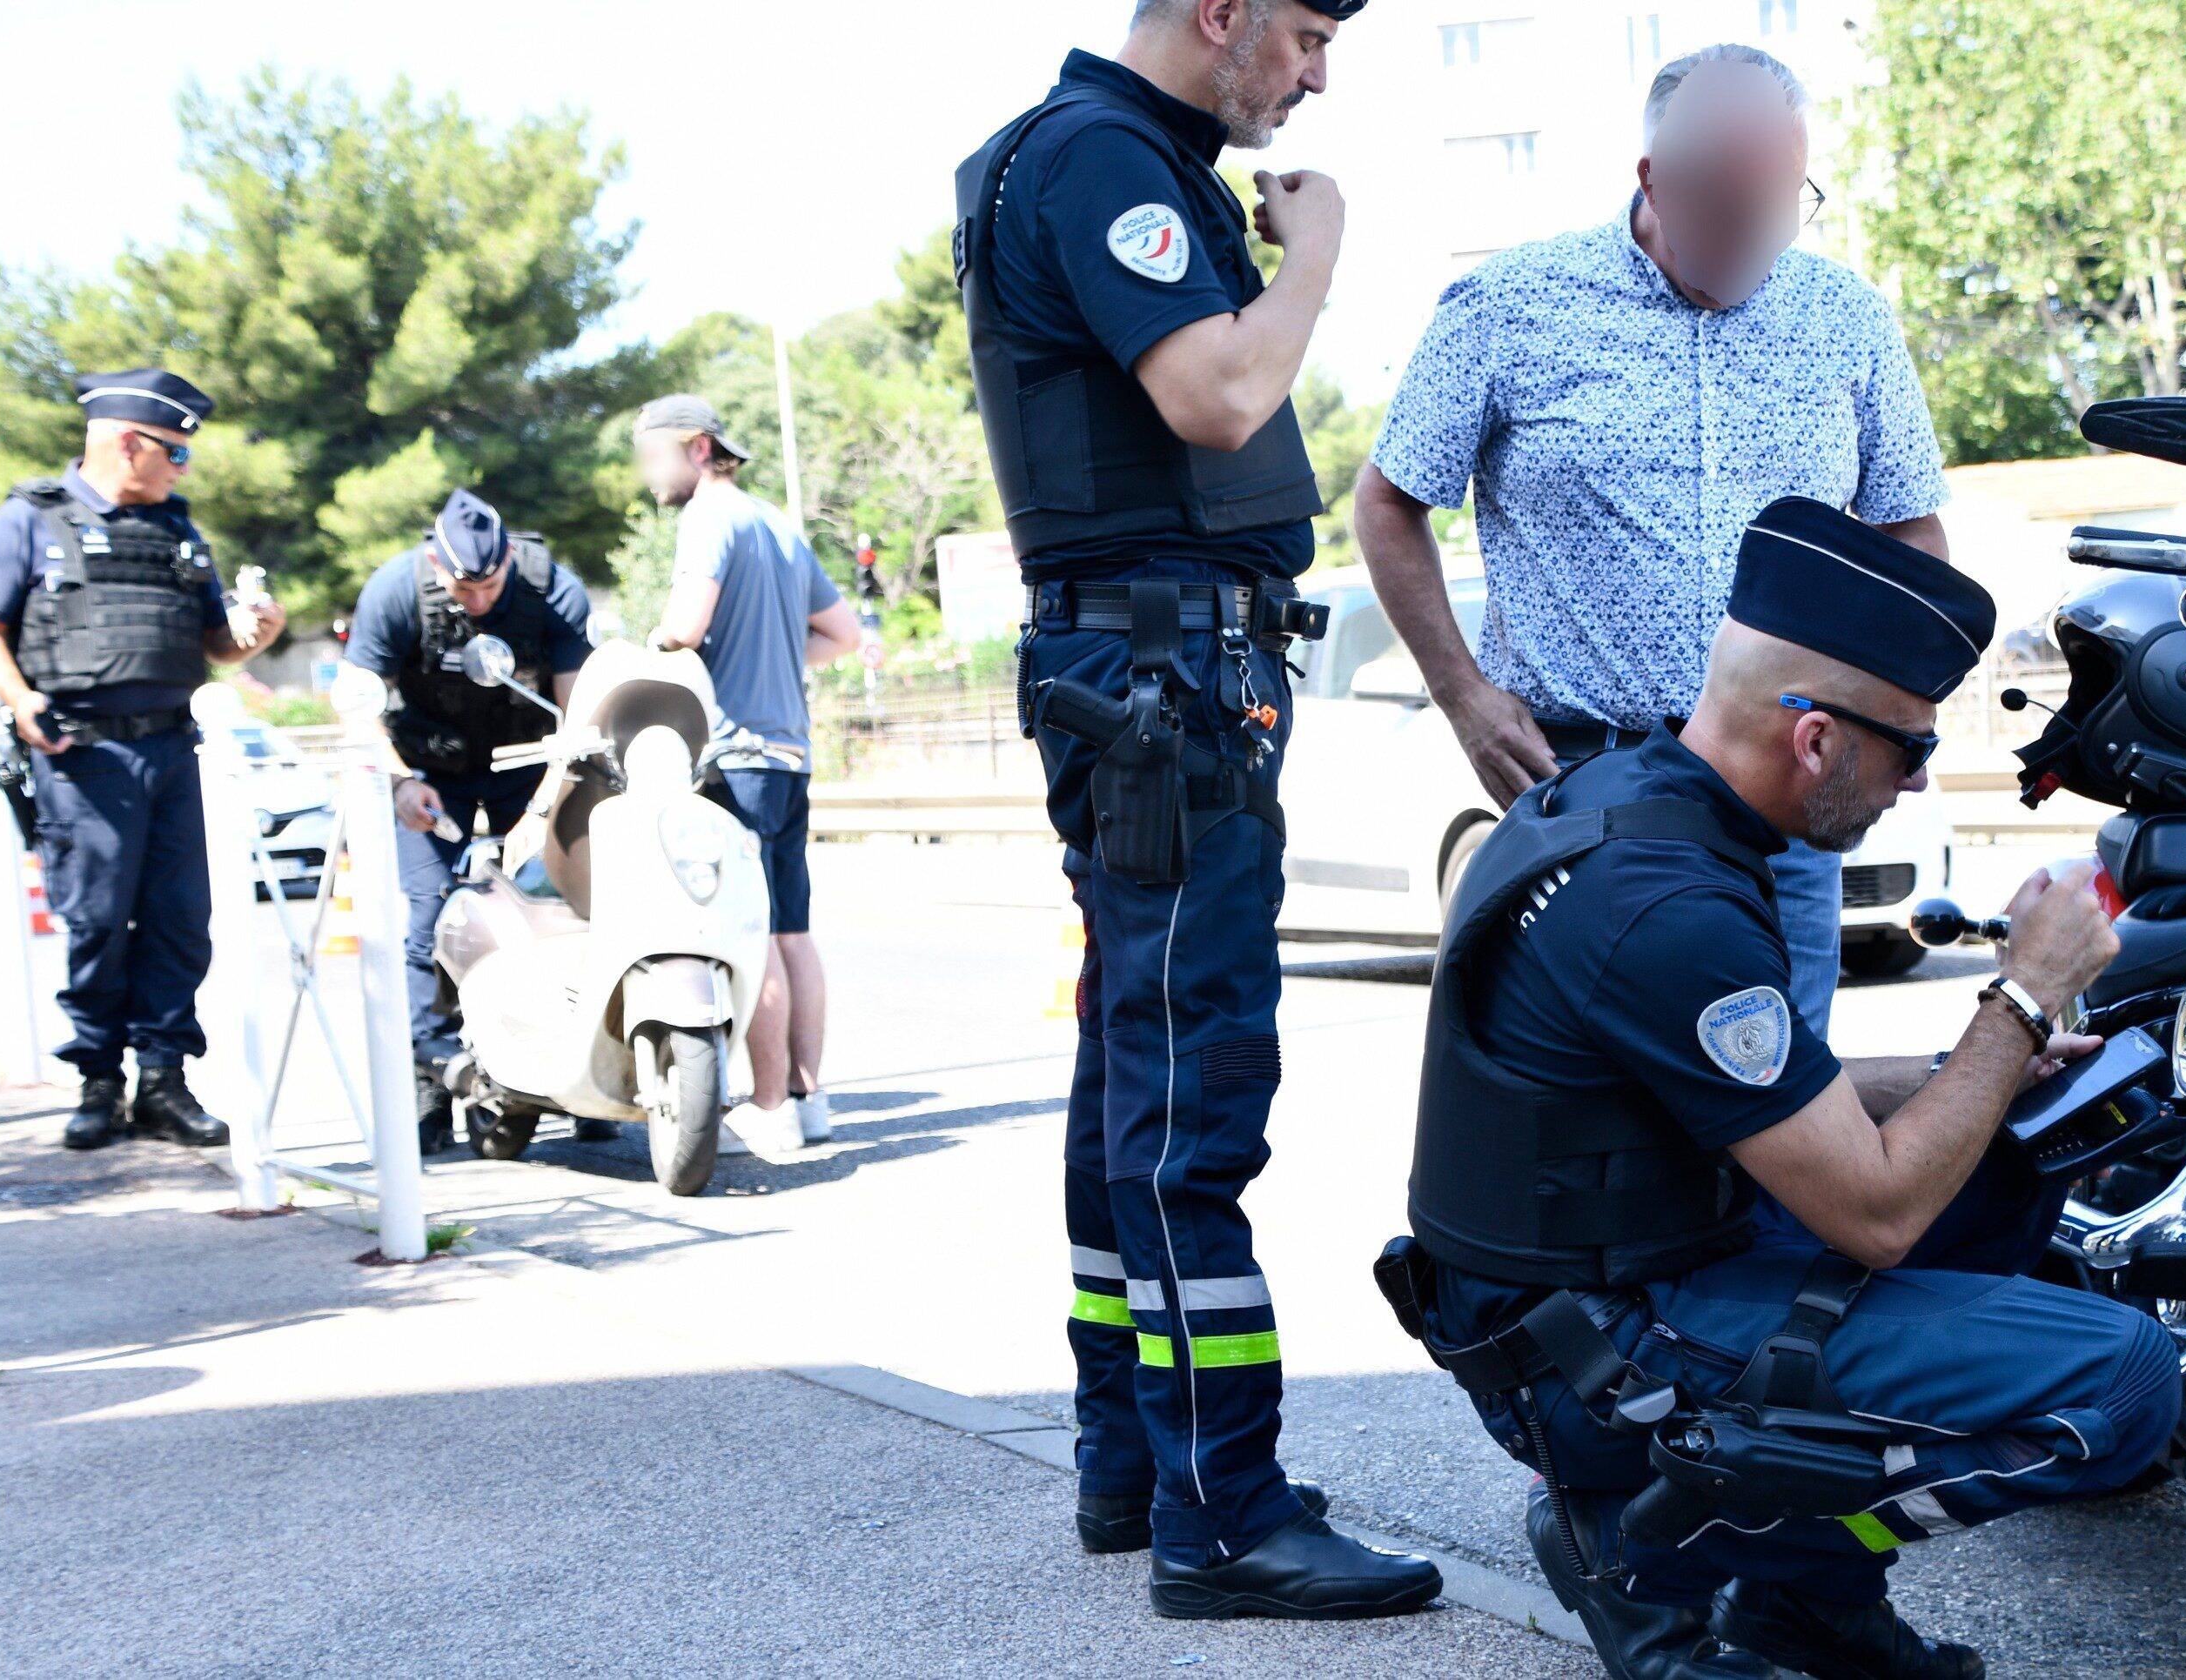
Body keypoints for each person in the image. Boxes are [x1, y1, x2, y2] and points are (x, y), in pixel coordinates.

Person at [1391, 500, 2178, 1680]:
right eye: (1909, 746)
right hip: (1593, 1352)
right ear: (1815, 740)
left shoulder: (1635, 803)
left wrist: (1973, 1070)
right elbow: (1878, 1210)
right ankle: (1655, 1542)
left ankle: (1803, 1608)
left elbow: (1714, 1086)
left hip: (1580, 1274)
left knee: (2002, 1164)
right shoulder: (1671, 906)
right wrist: (2021, 998)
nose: (1917, 782)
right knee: (2124, 1381)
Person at [956, 0, 1442, 1622]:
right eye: (1303, 33)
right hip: (1170, 686)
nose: (1318, 75)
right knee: (1192, 1096)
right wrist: (1321, 251)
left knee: (1132, 1082)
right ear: (1219, 13)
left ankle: (1135, 1463)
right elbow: (1221, 398)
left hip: (1146, 675)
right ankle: (1222, 1510)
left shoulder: (1095, 154)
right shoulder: (1104, 160)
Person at [1354, 43, 1953, 1039]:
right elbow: (1387, 501)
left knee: (1781, 1093)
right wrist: (1463, 695)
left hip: (1783, 791)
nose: (1755, 240)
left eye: (1777, 207)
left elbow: (1909, 525)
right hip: (1582, 780)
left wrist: (1904, 710)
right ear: (1653, 182)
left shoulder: (1844, 318)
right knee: (1595, 1096)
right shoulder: (1509, 306)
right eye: (1726, 211)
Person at [0, 369, 286, 1149]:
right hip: (83, 754)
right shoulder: (30, 520)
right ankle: (99, 1081)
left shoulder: (178, 531)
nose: (183, 469)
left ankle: (164, 1081)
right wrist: (20, 698)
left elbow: (213, 643)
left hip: (173, 747)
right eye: (176, 453)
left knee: (179, 921)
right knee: (98, 921)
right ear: (128, 442)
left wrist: (256, 636)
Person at [339, 488, 596, 1155]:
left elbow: (579, 711)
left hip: (529, 765)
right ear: (434, 561)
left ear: (510, 557)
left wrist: (547, 803)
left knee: (561, 906)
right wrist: (398, 779)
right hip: (429, 772)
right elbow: (355, 698)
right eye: (462, 586)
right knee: (425, 919)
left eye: (488, 584)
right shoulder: (396, 589)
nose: (477, 600)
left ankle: (580, 1068)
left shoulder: (551, 589)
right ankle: (429, 1081)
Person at [632, 395, 859, 1146]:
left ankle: (767, 1111)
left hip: (736, 756)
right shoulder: (776, 523)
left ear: (697, 448)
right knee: (793, 930)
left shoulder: (708, 517)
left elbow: (687, 626)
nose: (646, 473)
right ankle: (809, 1099)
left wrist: (653, 646)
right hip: (790, 754)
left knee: (749, 932)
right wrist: (772, 656)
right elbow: (843, 633)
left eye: (652, 454)